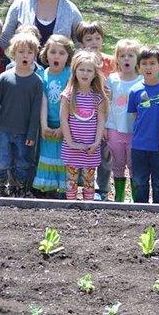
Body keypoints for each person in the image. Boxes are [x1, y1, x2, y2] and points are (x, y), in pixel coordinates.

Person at [0, 33, 43, 197]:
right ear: (13, 54)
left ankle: (20, 188)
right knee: (1, 161)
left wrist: (32, 133)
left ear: (34, 55)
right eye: (21, 52)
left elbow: (36, 110)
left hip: (24, 132)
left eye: (30, 52)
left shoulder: (36, 81)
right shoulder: (5, 77)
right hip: (3, 129)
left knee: (23, 163)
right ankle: (0, 188)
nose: (25, 56)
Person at [60, 51, 108, 201]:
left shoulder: (98, 97)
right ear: (74, 71)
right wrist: (70, 142)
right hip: (72, 147)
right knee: (71, 181)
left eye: (89, 70)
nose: (85, 73)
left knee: (89, 181)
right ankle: (71, 205)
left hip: (90, 148)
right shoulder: (68, 95)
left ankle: (88, 205)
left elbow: (101, 121)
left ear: (95, 74)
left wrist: (96, 142)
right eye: (81, 69)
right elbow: (63, 120)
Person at [75, 21, 113, 200]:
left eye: (98, 38)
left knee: (105, 154)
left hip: (106, 115)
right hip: (84, 116)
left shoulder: (111, 62)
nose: (94, 42)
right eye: (88, 39)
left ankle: (103, 189)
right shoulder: (79, 62)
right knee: (84, 151)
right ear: (82, 43)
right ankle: (82, 186)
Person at [127, 46, 159, 203]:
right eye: (144, 63)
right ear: (138, 66)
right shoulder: (135, 91)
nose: (148, 67)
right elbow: (134, 115)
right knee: (140, 182)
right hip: (139, 146)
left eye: (152, 63)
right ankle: (140, 211)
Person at [32, 35, 74, 198]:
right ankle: (48, 191)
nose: (57, 56)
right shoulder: (42, 75)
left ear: (68, 57)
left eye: (62, 53)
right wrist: (44, 126)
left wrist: (63, 128)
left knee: (63, 157)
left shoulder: (70, 75)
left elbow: (71, 103)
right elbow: (42, 102)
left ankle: (64, 192)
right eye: (53, 52)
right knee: (48, 156)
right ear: (46, 54)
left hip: (66, 126)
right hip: (47, 125)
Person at [105, 39, 143, 202]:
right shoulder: (112, 79)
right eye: (122, 56)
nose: (126, 59)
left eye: (130, 55)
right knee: (118, 164)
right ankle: (119, 196)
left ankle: (135, 198)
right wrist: (105, 127)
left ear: (137, 59)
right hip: (115, 129)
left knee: (134, 165)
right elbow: (106, 103)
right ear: (117, 59)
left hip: (135, 131)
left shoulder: (141, 80)